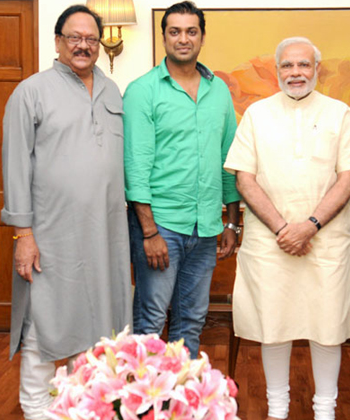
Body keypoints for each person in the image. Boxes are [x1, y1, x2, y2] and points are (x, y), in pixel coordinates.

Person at [224, 37, 350, 420]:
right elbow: (244, 179)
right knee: (273, 324)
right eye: (288, 66)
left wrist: (309, 226)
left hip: (326, 242)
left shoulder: (340, 114)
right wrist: (283, 229)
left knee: (327, 326)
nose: (296, 73)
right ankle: (277, 410)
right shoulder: (256, 115)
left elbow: (348, 178)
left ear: (316, 69)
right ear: (277, 71)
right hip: (269, 242)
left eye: (304, 65)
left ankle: (325, 411)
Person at [1, 5, 131, 419]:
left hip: (105, 236)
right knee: (45, 323)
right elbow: (15, 167)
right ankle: (36, 409)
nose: (83, 45)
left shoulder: (112, 91)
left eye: (91, 39)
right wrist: (23, 235)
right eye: (74, 37)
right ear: (58, 41)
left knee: (96, 325)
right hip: (50, 235)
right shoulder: (31, 92)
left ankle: (81, 408)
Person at [122, 1, 240, 359]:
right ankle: (144, 393)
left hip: (205, 227)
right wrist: (149, 233)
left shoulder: (218, 90)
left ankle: (182, 391)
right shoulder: (143, 90)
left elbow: (228, 160)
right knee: (151, 319)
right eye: (175, 31)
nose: (183, 39)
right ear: (164, 37)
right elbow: (136, 166)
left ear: (202, 37)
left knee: (191, 320)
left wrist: (231, 222)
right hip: (161, 226)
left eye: (191, 31)